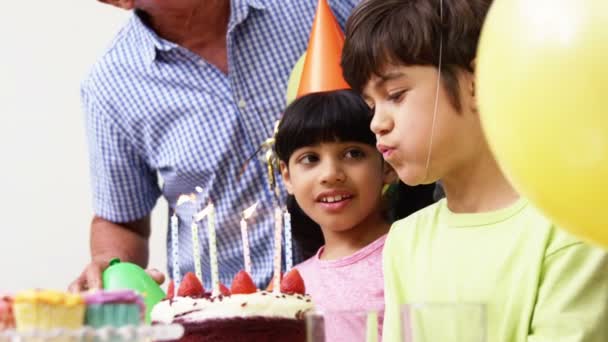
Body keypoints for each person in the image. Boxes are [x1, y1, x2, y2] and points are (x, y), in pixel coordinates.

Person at [341, 0, 608, 341]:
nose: (378, 122)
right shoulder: (405, 240)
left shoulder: (570, 228)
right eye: (370, 105)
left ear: (477, 82)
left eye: (396, 94)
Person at [69, 0, 362, 292]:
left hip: (368, 282)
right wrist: (110, 263)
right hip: (230, 313)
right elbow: (123, 222)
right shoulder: (109, 87)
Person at [274, 89, 434, 341]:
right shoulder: (290, 286)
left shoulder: (415, 255)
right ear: (287, 177)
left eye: (352, 154)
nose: (330, 174)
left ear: (387, 165)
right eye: (310, 158)